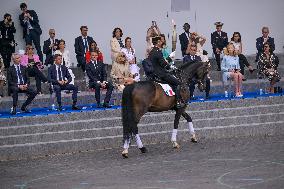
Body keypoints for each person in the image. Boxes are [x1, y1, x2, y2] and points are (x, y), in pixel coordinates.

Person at [149, 36, 185, 108]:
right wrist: (170, 58)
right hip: (162, 74)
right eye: (160, 41)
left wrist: (171, 67)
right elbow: (163, 64)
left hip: (155, 73)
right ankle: (178, 101)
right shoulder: (158, 52)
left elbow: (160, 64)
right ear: (158, 42)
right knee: (178, 83)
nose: (162, 42)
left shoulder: (152, 51)